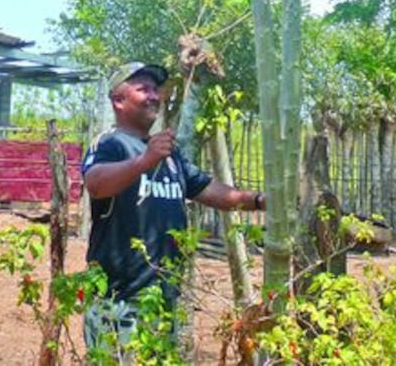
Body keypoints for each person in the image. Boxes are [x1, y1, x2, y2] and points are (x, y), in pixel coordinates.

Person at [81, 62, 265, 358]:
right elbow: (96, 183)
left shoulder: (170, 156)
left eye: (156, 89)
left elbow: (212, 191)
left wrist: (259, 200)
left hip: (162, 298)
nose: (154, 96)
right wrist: (144, 161)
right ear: (118, 100)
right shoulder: (110, 144)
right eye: (143, 89)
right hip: (119, 300)